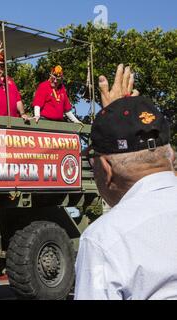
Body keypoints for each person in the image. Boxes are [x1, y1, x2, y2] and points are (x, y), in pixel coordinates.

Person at [74, 64, 177, 300]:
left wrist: (114, 121)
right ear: (170, 155)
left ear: (106, 169)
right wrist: (118, 119)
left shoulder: (103, 240)